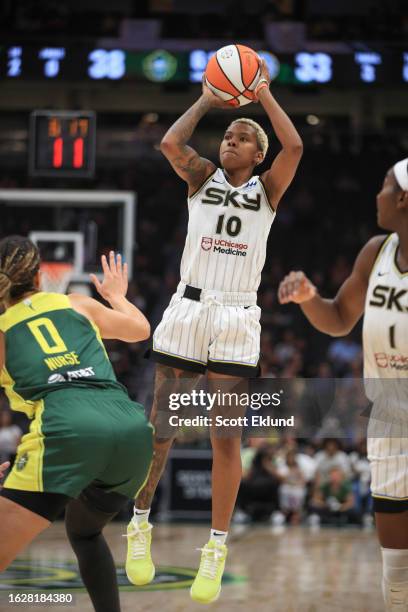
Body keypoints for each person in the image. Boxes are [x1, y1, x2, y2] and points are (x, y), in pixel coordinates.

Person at [126, 59, 303, 604]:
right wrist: (208, 99)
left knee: (228, 438)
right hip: (189, 306)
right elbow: (170, 145)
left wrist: (262, 95)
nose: (230, 140)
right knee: (162, 423)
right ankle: (139, 522)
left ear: (258, 155)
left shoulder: (269, 191)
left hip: (235, 315)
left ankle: (216, 547)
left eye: (241, 137)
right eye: (227, 134)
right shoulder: (201, 177)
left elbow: (294, 147)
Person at [278, 158, 408, 611]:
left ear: (404, 199)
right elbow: (336, 319)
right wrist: (309, 297)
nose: (377, 195)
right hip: (389, 410)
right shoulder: (376, 252)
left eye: (384, 186)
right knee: (395, 562)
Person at [0, 236, 153, 612]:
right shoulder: (77, 303)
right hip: (130, 429)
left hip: (67, 428)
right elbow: (141, 330)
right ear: (40, 277)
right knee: (84, 532)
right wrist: (116, 294)